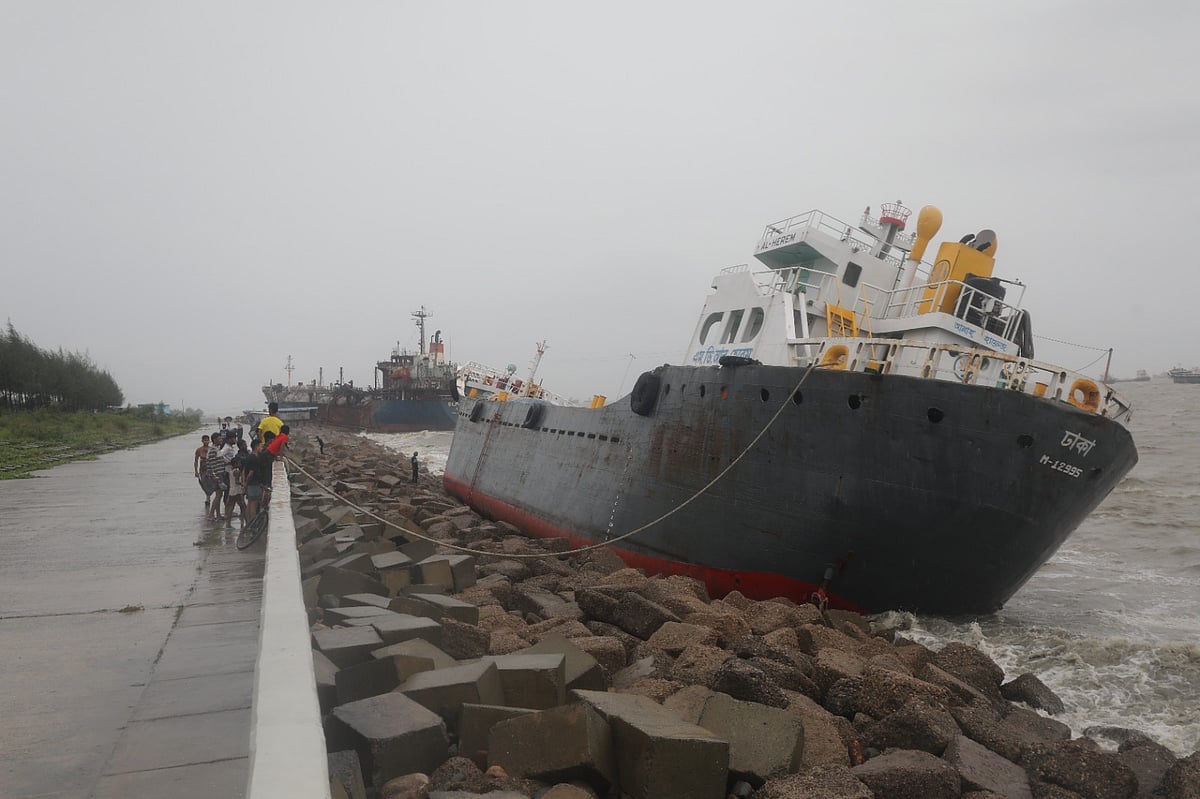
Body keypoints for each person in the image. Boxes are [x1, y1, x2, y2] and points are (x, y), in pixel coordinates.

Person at [243, 431, 276, 522]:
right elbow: (250, 473)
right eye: (260, 446)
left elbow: (244, 471)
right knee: (253, 505)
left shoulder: (249, 457)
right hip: (254, 484)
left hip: (251, 484)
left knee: (249, 503)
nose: (262, 448)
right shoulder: (254, 459)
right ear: (256, 447)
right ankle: (252, 524)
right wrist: (246, 482)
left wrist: (245, 483)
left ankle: (248, 523)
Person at [224, 438, 250, 528]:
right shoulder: (237, 471)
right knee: (243, 506)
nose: (240, 464)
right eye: (238, 463)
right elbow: (237, 481)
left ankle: (228, 524)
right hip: (237, 491)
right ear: (235, 464)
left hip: (232, 490)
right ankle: (247, 523)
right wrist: (243, 484)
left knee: (230, 507)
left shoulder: (231, 471)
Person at [205, 431, 230, 522]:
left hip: (220, 473)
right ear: (215, 440)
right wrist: (215, 477)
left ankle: (218, 515)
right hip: (216, 475)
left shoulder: (216, 449)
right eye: (219, 438)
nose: (221, 440)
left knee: (219, 495)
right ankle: (211, 514)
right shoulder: (212, 450)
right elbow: (210, 465)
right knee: (218, 495)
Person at [193, 434, 213, 510]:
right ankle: (208, 497)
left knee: (210, 483)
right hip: (202, 470)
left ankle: (208, 497)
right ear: (202, 441)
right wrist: (196, 471)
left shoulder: (211, 449)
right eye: (204, 440)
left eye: (207, 440)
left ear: (209, 441)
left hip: (210, 469)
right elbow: (196, 461)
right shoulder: (199, 450)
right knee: (204, 483)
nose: (206, 441)